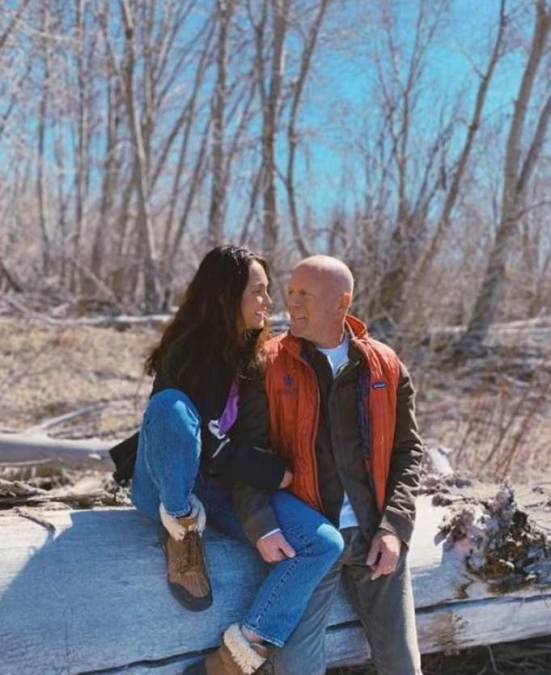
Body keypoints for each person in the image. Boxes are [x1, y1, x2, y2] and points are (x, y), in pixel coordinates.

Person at [112, 246, 344, 675]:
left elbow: (244, 445)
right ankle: (182, 531)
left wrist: (263, 515)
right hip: (164, 486)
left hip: (218, 488)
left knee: (324, 543)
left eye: (268, 291)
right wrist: (270, 471)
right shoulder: (184, 352)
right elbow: (199, 441)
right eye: (258, 291)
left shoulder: (254, 359)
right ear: (226, 295)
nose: (268, 301)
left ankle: (240, 654)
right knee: (170, 407)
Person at [234, 255, 424, 675]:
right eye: (290, 292)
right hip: (310, 542)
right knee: (297, 667)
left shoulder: (386, 366)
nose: (292, 303)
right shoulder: (267, 363)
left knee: (403, 665)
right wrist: (260, 523)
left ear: (342, 303)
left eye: (305, 294)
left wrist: (395, 528)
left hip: (375, 538)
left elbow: (408, 452)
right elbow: (246, 455)